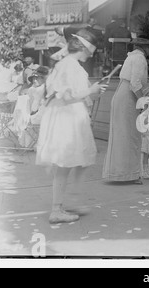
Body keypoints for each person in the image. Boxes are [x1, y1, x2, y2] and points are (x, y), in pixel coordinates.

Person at [35, 29, 108, 224]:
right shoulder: (68, 66)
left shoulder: (69, 64)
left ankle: (73, 201)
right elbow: (66, 96)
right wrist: (89, 90)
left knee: (77, 161)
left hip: (70, 117)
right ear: (83, 47)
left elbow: (74, 93)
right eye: (90, 50)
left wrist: (92, 92)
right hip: (66, 119)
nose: (92, 54)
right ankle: (56, 209)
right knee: (65, 163)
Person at [102, 32, 149, 184]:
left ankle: (123, 173)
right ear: (146, 47)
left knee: (125, 135)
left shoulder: (132, 56)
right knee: (130, 136)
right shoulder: (139, 58)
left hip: (123, 94)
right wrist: (142, 102)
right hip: (128, 97)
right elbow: (135, 83)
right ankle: (127, 174)